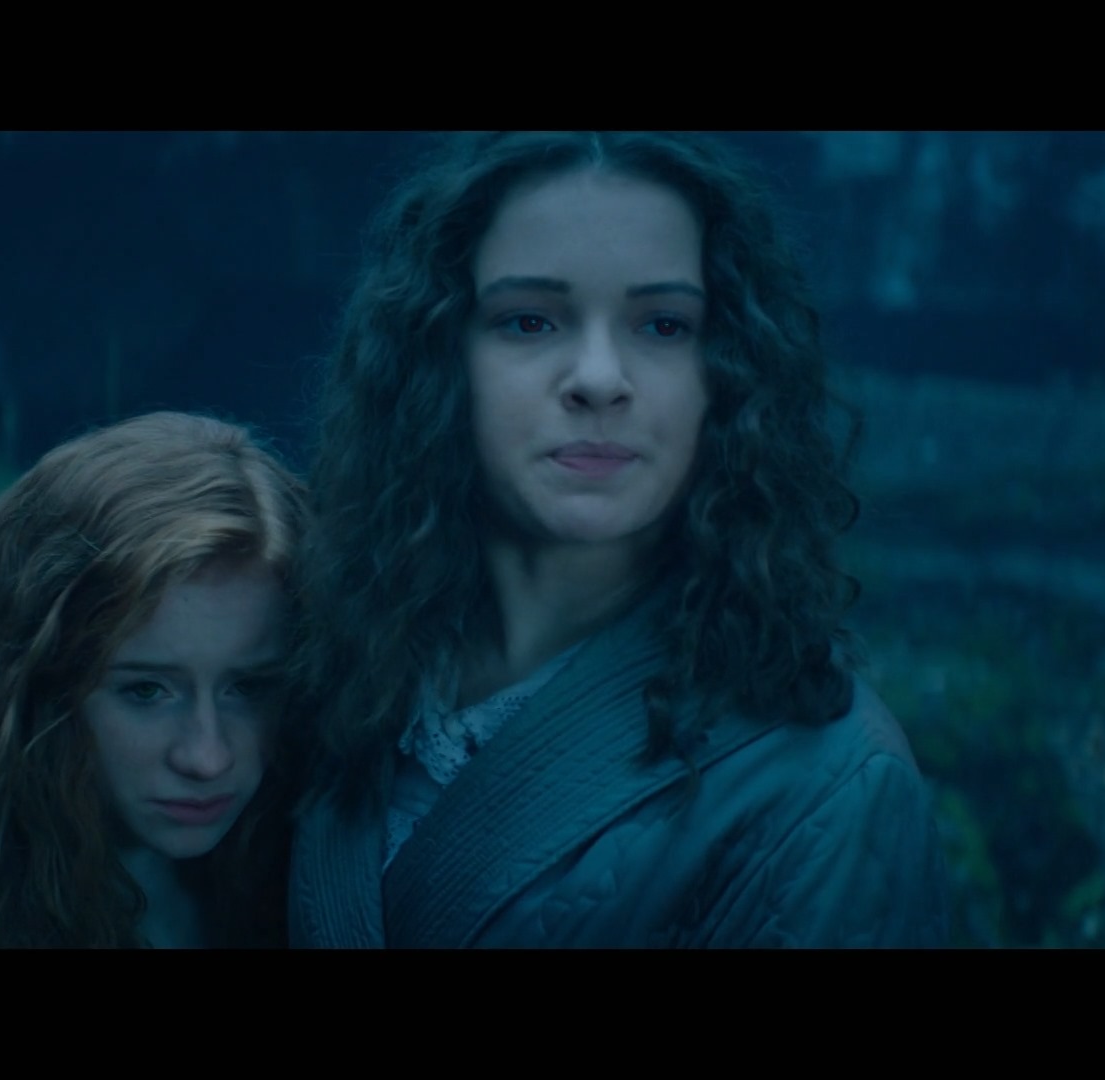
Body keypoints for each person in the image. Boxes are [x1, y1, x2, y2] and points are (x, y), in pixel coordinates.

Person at [285, 131, 950, 948]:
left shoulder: (833, 786)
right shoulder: (332, 667)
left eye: (663, 325)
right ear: (442, 356)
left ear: (727, 374)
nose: (599, 378)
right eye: (530, 320)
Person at [0, 411, 307, 948]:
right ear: (29, 687)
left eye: (249, 688)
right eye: (145, 691)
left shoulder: (309, 891)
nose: (207, 758)